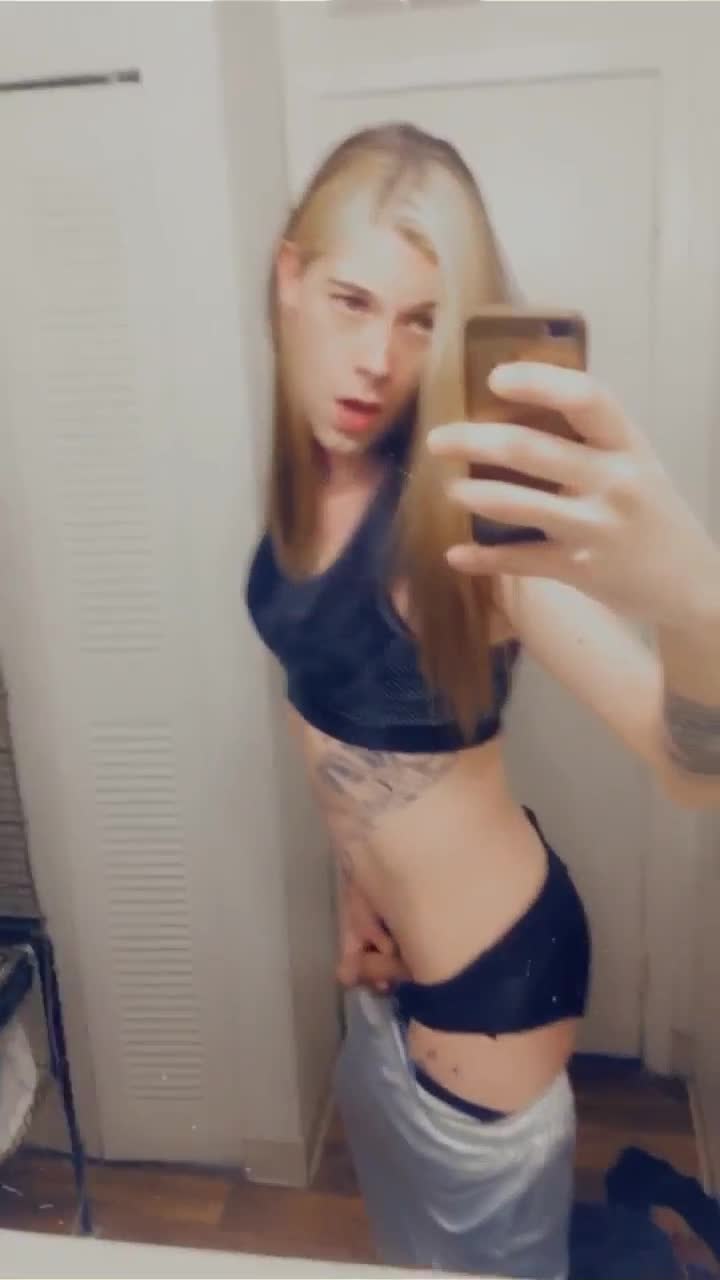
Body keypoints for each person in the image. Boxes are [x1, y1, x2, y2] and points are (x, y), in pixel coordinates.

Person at [245, 122, 720, 1279]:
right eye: (353, 301)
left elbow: (691, 767)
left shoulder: (466, 526)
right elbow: (335, 708)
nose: (376, 359)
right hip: (398, 946)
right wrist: (358, 878)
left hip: (490, 978)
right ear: (291, 279)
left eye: (421, 321)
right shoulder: (310, 478)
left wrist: (694, 597)